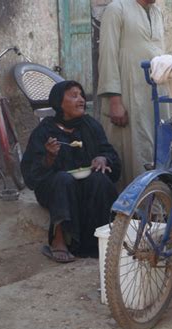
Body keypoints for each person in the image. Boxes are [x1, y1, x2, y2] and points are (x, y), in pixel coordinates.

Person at [21, 81, 121, 262]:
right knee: (63, 179)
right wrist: (49, 158)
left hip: (86, 183)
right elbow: (31, 173)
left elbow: (108, 152)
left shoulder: (91, 125)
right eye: (74, 96)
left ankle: (105, 240)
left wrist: (103, 159)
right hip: (55, 187)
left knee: (100, 180)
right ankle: (59, 240)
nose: (81, 100)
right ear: (59, 102)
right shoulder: (44, 130)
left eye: (81, 95)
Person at [97, 0, 165, 190]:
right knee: (129, 149)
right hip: (127, 92)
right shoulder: (116, 9)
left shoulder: (157, 13)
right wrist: (114, 99)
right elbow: (107, 55)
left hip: (152, 92)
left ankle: (154, 200)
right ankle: (128, 205)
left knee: (153, 147)